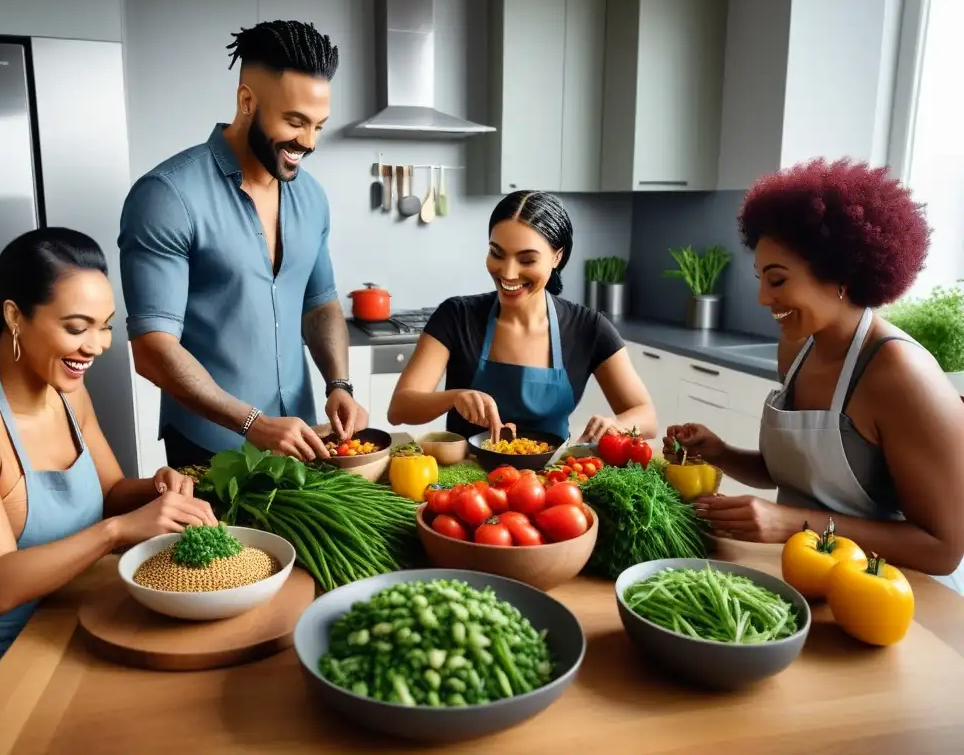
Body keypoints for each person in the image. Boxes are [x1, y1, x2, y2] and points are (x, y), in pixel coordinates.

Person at [0, 229, 216, 735]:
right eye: (76, 327)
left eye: (105, 327)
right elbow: (0, 586)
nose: (97, 346)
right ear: (13, 316)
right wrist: (118, 532)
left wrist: (156, 488)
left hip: (65, 627)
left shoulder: (67, 394)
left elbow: (112, 495)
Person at [665, 158, 964, 591]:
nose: (764, 298)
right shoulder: (798, 347)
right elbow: (801, 474)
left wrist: (792, 522)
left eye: (778, 280)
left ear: (841, 275)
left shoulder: (901, 375)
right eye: (761, 279)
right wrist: (721, 452)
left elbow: (942, 548)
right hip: (810, 574)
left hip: (894, 593)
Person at [118, 19, 367, 470]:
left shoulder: (311, 196)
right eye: (294, 122)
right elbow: (153, 350)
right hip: (208, 449)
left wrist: (340, 384)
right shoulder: (167, 196)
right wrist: (254, 424)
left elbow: (320, 305)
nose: (308, 143)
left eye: (318, 126)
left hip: (301, 439)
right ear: (247, 102)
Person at [388, 190, 656, 444]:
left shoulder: (589, 328)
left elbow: (646, 416)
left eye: (527, 260)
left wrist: (618, 425)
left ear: (557, 257)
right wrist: (454, 397)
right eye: (497, 254)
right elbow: (400, 408)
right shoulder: (457, 316)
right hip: (465, 484)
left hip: (552, 483)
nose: (508, 273)